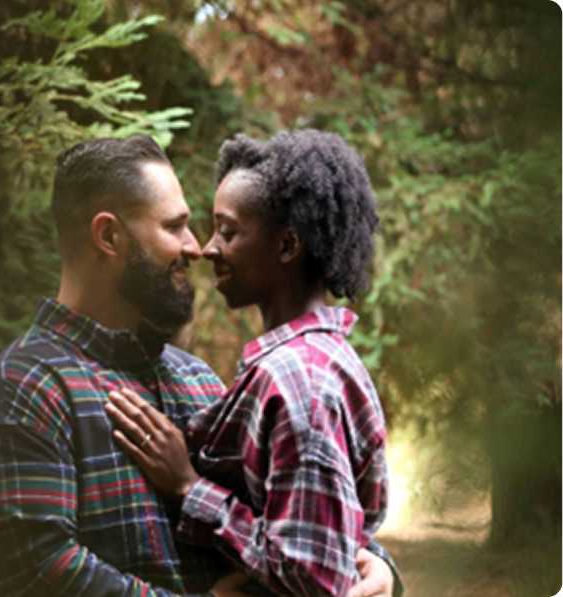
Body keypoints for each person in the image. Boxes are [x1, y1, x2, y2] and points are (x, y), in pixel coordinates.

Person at [0, 135, 398, 597]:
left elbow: (293, 515)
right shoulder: (18, 391)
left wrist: (374, 567)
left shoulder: (196, 381)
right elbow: (37, 575)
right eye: (174, 227)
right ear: (109, 237)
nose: (195, 247)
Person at [105, 130, 391, 597]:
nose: (207, 248)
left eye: (228, 231)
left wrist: (189, 486)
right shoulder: (322, 360)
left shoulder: (299, 382)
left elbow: (313, 575)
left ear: (287, 245)